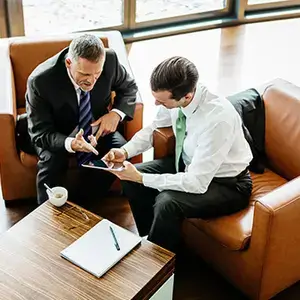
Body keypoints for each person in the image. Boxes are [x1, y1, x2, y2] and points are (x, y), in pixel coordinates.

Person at [102, 56, 253, 252]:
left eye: (162, 101)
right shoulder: (181, 98)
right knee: (129, 176)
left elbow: (197, 183)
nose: (156, 104)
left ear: (187, 97)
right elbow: (155, 127)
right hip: (189, 164)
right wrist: (125, 151)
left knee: (167, 202)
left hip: (228, 184)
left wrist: (141, 178)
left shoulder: (217, 121)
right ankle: (152, 238)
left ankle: (157, 265)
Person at [26, 34, 137, 205]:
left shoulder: (110, 60)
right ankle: (46, 217)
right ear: (69, 63)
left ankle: (84, 204)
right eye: (85, 74)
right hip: (58, 133)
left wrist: (116, 113)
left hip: (96, 129)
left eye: (97, 74)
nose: (91, 81)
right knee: (51, 163)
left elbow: (129, 88)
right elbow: (40, 133)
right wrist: (70, 143)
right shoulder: (40, 81)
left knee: (121, 152)